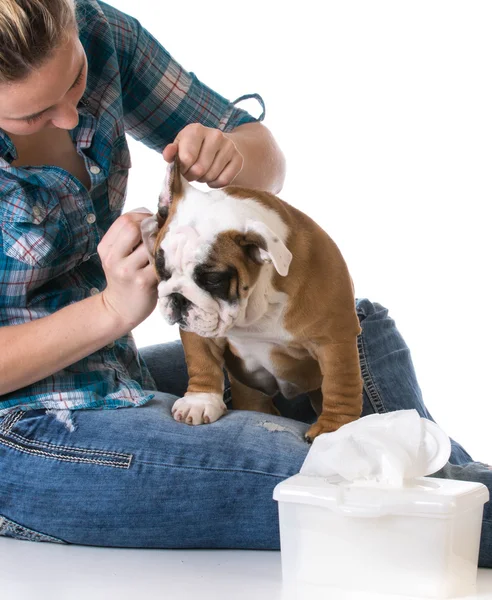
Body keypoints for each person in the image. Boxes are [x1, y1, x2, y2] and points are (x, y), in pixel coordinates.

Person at [0, 0, 490, 568]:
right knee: (331, 476)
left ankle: (447, 477)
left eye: (77, 79)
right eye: (31, 116)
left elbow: (261, 154)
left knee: (354, 328)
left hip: (116, 369)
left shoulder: (101, 33)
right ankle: (452, 497)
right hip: (31, 428)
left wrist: (232, 153)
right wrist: (110, 309)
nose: (69, 114)